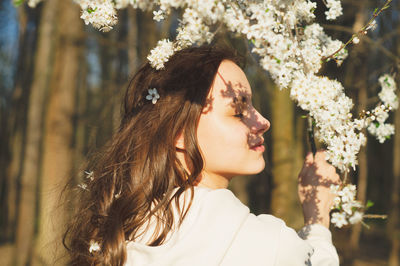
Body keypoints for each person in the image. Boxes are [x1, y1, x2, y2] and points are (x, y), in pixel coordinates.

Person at [63, 46, 341, 265]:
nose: (263, 121)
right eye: (238, 111)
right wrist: (318, 221)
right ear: (178, 135)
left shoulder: (119, 236)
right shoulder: (266, 244)